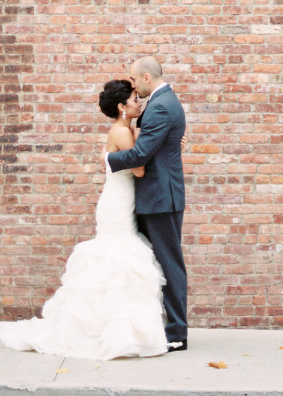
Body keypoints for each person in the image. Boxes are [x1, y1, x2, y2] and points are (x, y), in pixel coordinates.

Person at [0, 79, 168, 360]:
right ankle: (108, 332)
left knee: (119, 260)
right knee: (115, 259)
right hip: (117, 203)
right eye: (135, 99)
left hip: (120, 198)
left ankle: (119, 330)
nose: (140, 103)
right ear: (122, 107)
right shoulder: (122, 132)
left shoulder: (126, 129)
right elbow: (138, 170)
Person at [107, 56, 188, 352]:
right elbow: (156, 145)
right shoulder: (163, 102)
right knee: (155, 264)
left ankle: (177, 333)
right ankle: (157, 327)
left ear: (145, 77)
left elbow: (140, 156)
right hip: (156, 195)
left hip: (160, 197)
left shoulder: (161, 105)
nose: (132, 85)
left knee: (169, 264)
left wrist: (108, 158)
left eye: (133, 79)